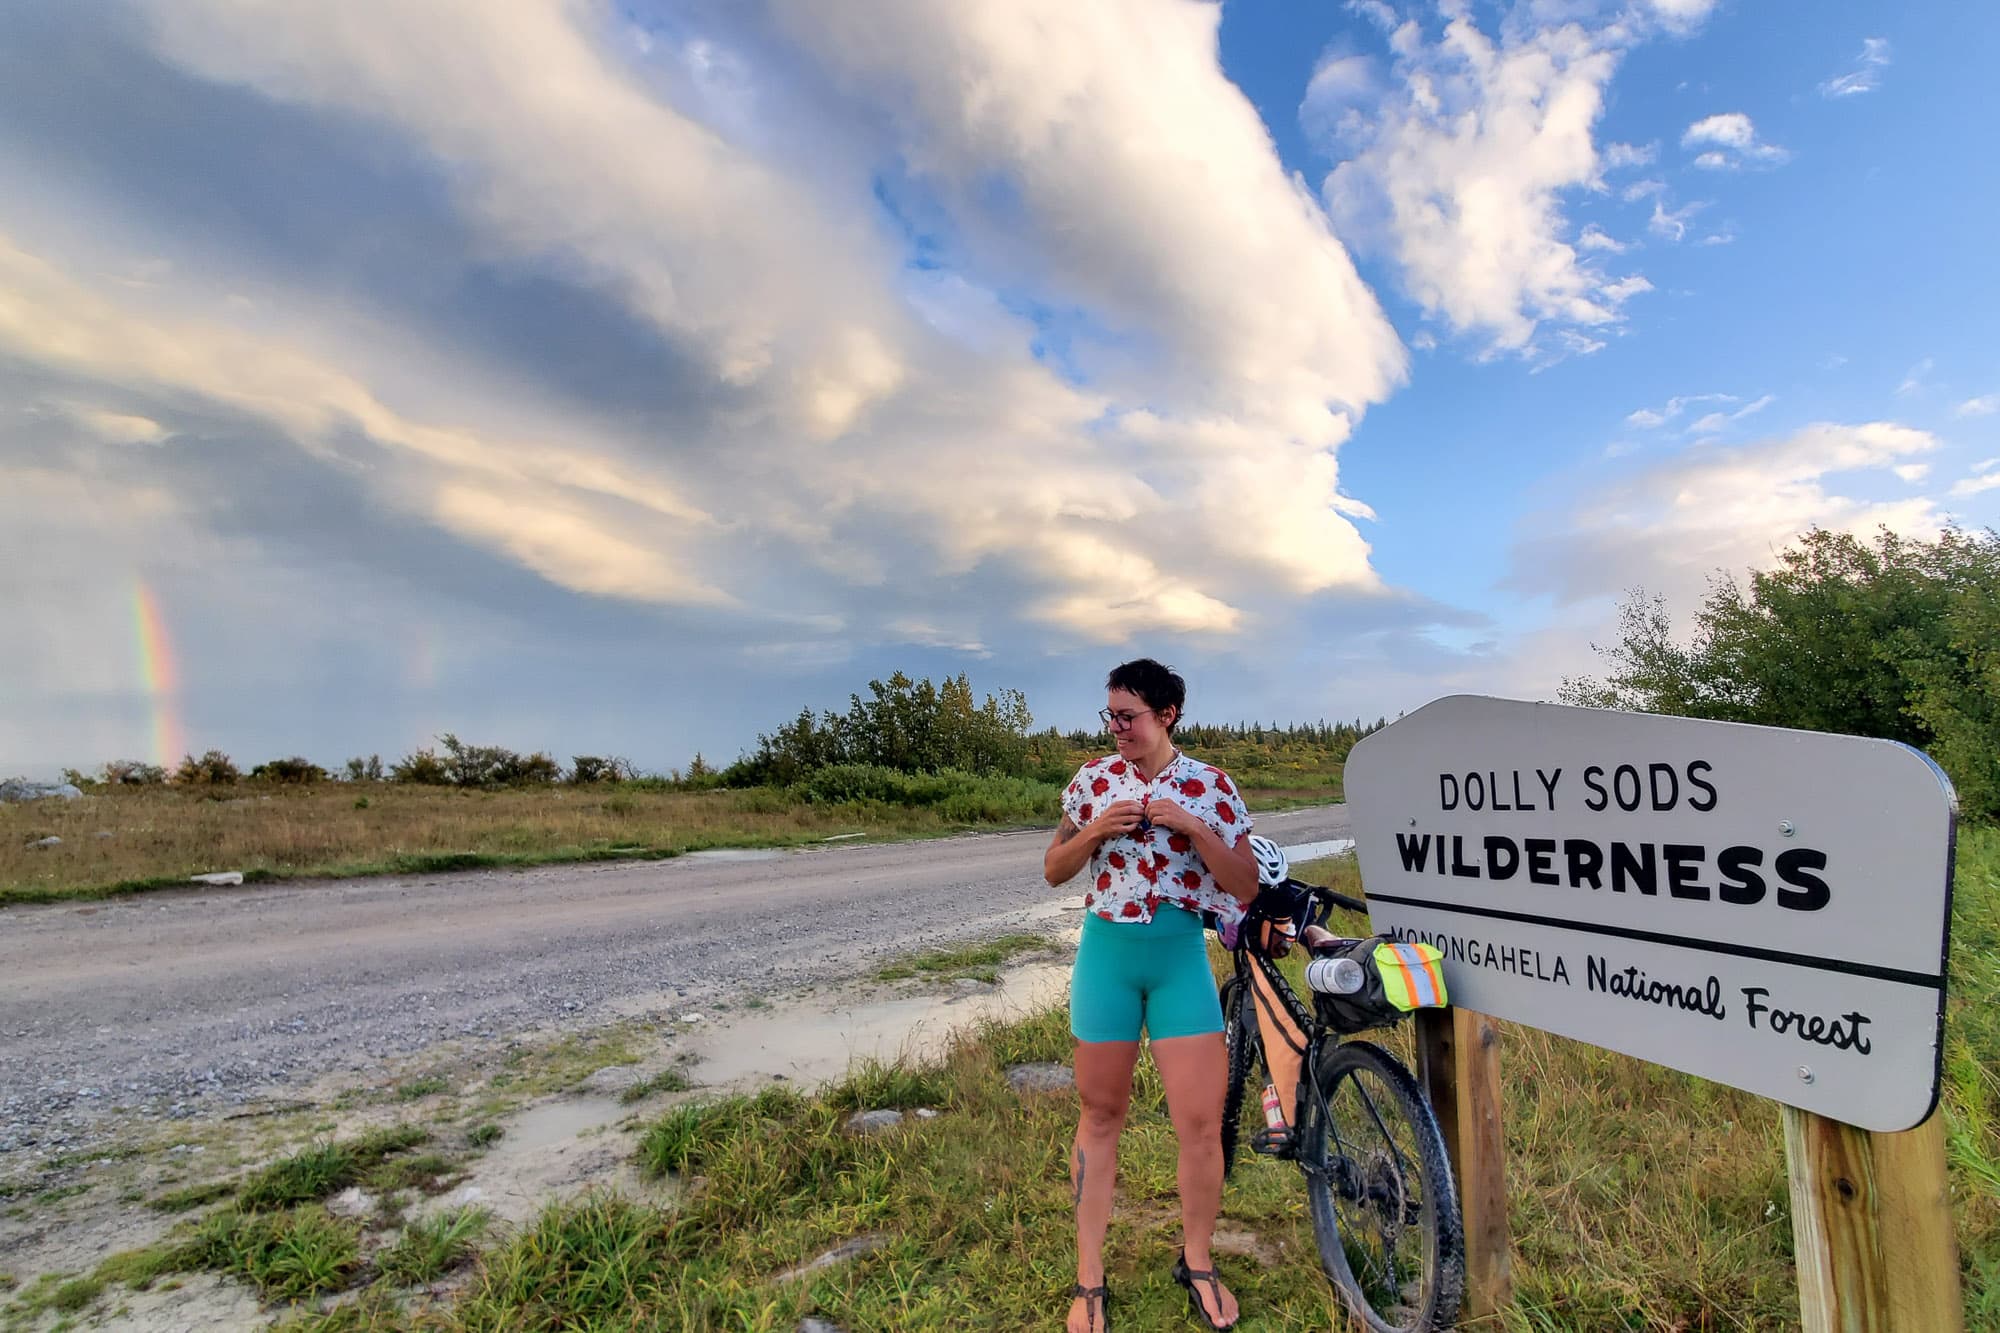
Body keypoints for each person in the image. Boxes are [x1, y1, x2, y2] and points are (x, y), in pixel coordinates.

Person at [1043, 658, 1258, 1332]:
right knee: (1099, 1116)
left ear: (1167, 715)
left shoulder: (1213, 787)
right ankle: (1089, 1278)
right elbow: (1053, 870)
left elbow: (1246, 884)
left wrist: (1193, 827)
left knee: (1199, 1122)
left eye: (1128, 715)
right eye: (1110, 714)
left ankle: (1198, 1261)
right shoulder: (1092, 781)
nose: (1116, 727)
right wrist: (1094, 830)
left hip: (1177, 961)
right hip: (1106, 958)